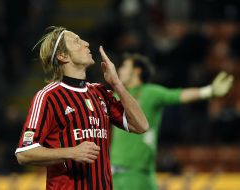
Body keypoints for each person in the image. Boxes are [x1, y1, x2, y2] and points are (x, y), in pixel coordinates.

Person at [15, 26, 149, 190]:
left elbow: (142, 125)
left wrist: (117, 84)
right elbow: (24, 153)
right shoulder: (49, 97)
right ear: (62, 56)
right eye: (76, 41)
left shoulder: (100, 93)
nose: (85, 43)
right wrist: (71, 152)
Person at [110, 53, 234, 190]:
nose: (120, 69)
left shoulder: (151, 93)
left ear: (137, 71)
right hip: (113, 174)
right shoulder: (117, 96)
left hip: (138, 174)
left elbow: (178, 95)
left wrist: (209, 91)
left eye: (125, 66)